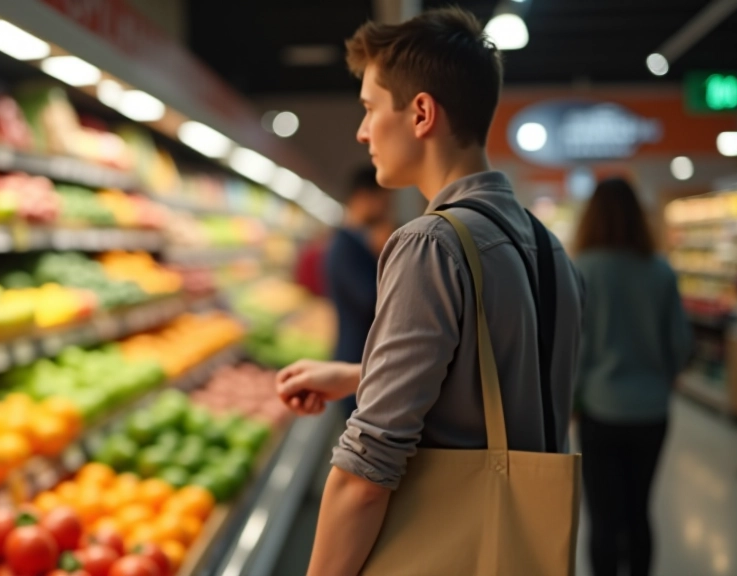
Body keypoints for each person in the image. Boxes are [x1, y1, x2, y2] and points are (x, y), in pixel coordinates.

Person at [274, 8, 585, 575]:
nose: (362, 131)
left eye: (369, 108)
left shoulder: (431, 244)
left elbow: (367, 471)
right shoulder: (547, 248)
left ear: (420, 113)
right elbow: (498, 385)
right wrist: (355, 375)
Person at [572, 178, 692, 576]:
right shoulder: (660, 271)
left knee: (603, 518)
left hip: (599, 410)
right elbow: (681, 344)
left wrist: (571, 402)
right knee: (639, 511)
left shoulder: (582, 270)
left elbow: (577, 351)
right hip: (652, 410)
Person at [326, 166, 393, 417]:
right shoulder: (345, 246)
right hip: (355, 361)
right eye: (384, 201)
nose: (387, 209)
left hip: (358, 361)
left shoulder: (354, 243)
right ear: (364, 197)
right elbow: (371, 302)